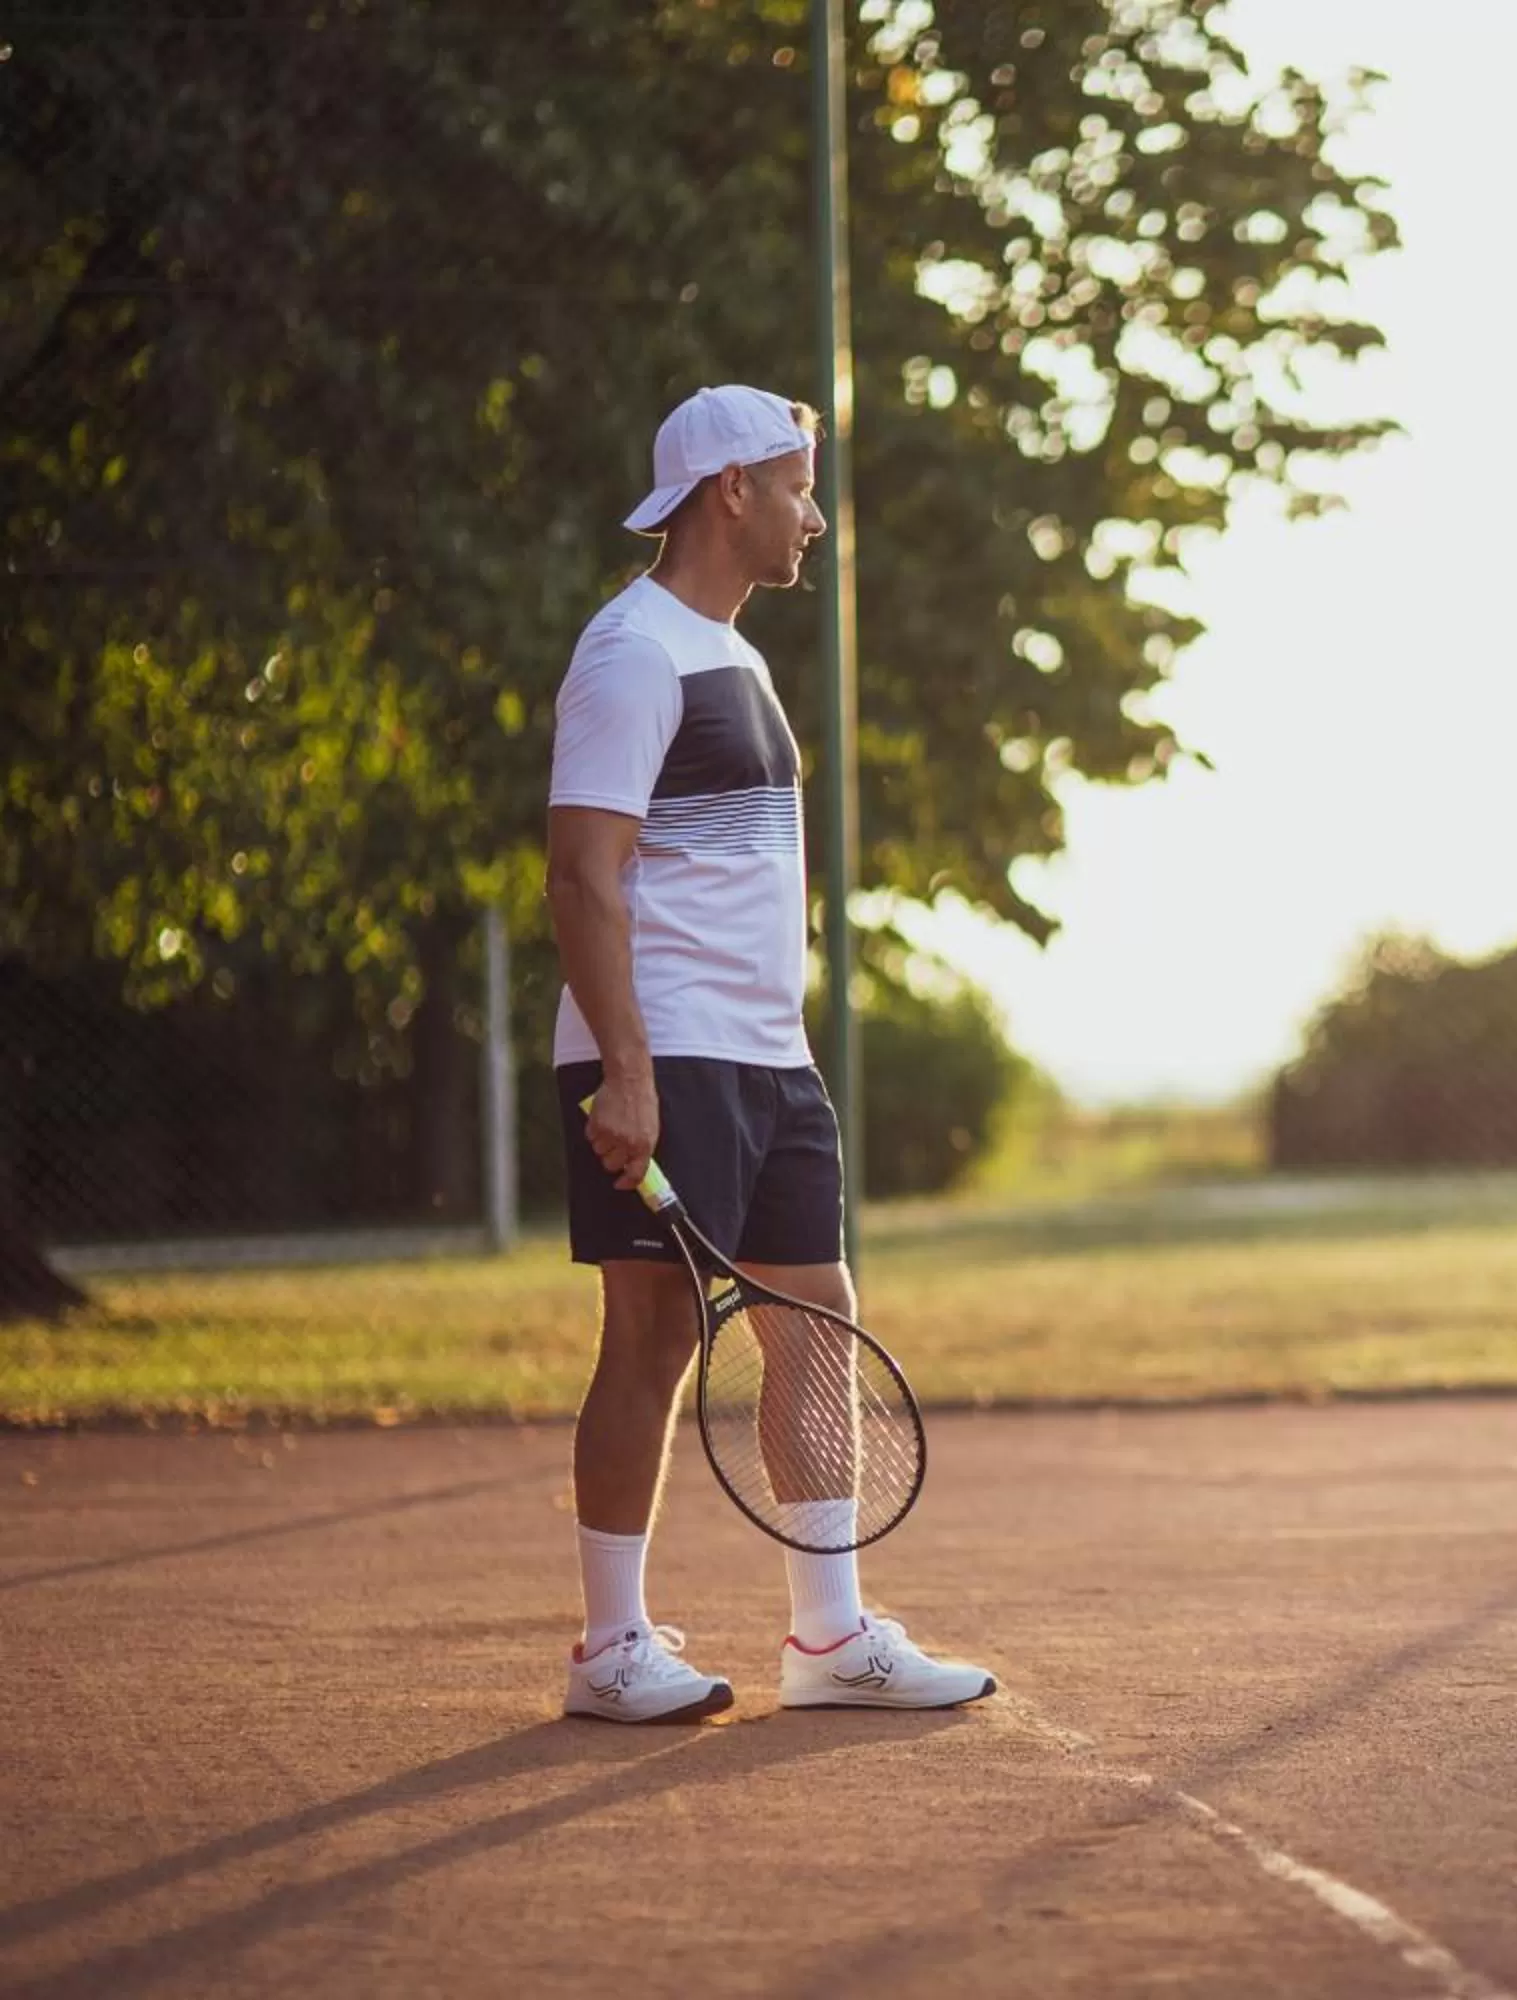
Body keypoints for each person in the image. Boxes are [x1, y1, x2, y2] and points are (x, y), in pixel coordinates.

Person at [544, 384, 994, 1722]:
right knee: (653, 1337)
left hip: (764, 1056)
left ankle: (828, 1637)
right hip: (667, 1049)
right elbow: (580, 872)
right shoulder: (632, 653)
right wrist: (626, 1070)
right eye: (799, 487)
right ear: (731, 490)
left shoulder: (734, 656)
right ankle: (610, 1649)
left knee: (817, 1317)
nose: (815, 514)